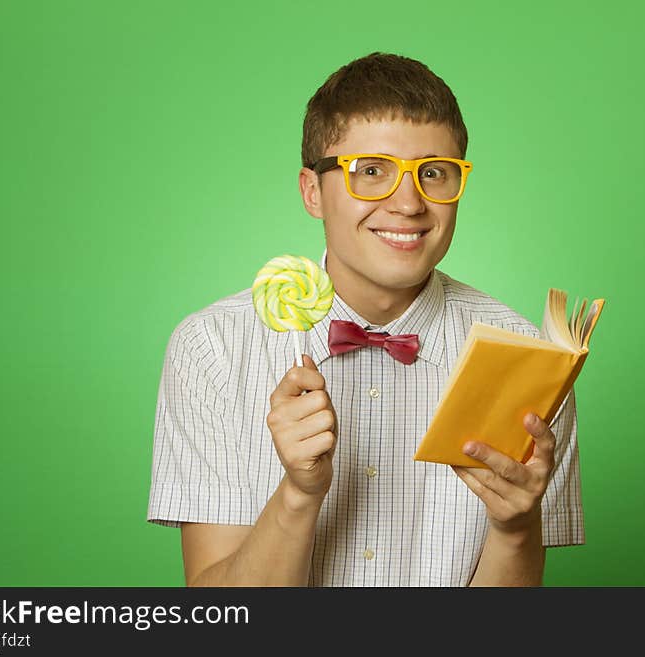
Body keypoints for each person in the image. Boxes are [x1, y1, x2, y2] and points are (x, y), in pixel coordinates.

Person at [146, 52, 583, 586]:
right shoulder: (212, 348)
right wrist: (298, 494)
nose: (408, 203)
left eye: (434, 174)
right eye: (370, 172)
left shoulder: (528, 358)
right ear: (313, 191)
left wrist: (516, 529)